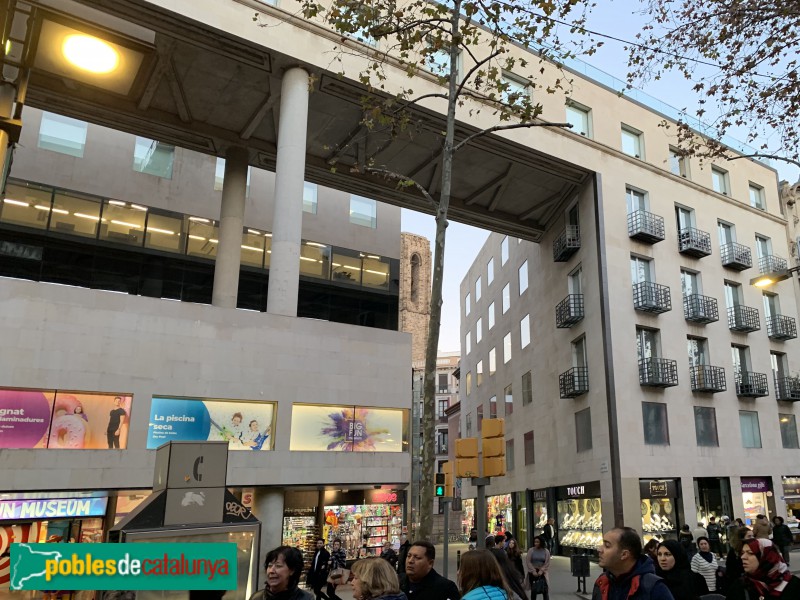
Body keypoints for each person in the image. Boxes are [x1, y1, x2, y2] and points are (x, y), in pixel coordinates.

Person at [592, 527, 673, 600]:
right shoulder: (602, 582)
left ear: (624, 554)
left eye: (607, 546)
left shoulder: (653, 588)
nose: (599, 549)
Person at [725, 538, 800, 600]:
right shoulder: (740, 585)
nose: (743, 557)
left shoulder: (793, 585)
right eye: (742, 553)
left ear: (767, 557)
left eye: (750, 553)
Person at [249, 545, 313, 600]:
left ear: (292, 570)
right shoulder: (256, 597)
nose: (271, 571)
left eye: (278, 566)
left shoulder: (306, 598)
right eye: (270, 566)